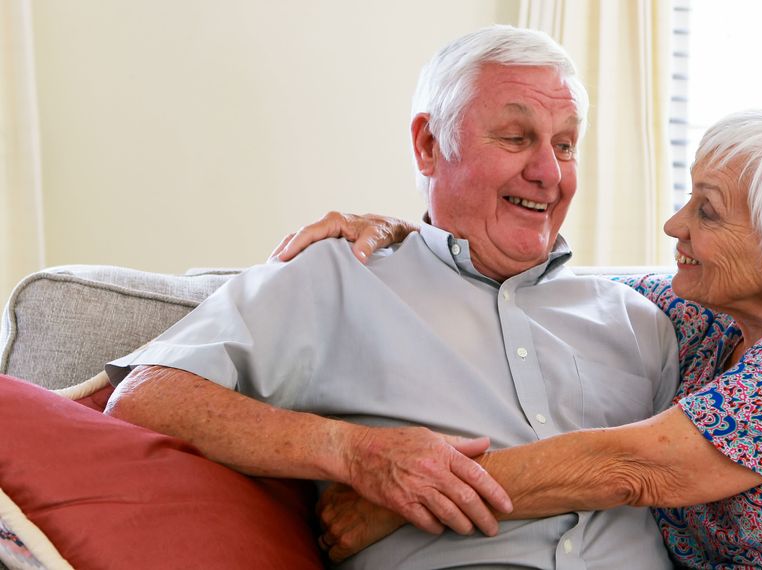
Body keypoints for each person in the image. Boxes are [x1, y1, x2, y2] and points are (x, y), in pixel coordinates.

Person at [283, 111, 762, 568]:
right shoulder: (701, 320)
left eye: (707, 212)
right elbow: (537, 290)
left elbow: (631, 469)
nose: (675, 226)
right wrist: (403, 236)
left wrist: (401, 500)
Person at [104, 25, 680, 569]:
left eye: (566, 145)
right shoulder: (338, 276)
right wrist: (352, 452)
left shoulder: (642, 321)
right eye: (515, 137)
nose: (549, 173)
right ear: (429, 145)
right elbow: (148, 396)